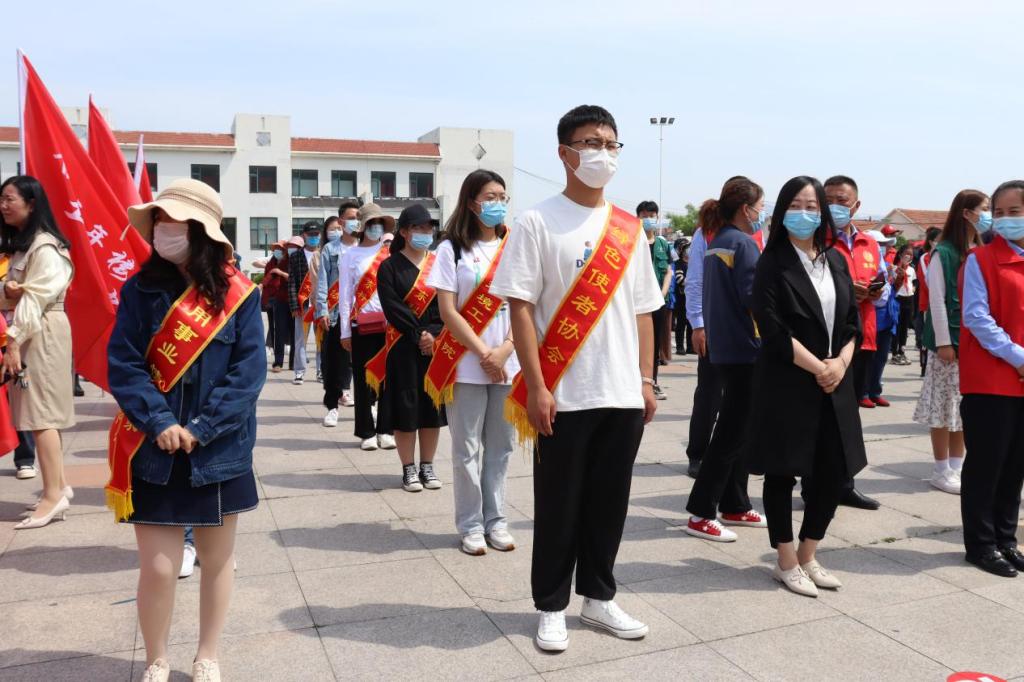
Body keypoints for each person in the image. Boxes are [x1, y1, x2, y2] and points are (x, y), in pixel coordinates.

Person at [490, 105, 661, 652]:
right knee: (558, 505)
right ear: (565, 153)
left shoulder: (630, 230)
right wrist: (537, 386)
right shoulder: (536, 222)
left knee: (610, 504)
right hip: (563, 393)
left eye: (611, 144)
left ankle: (599, 598)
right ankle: (550, 606)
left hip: (621, 391)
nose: (602, 153)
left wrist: (647, 380)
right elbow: (520, 308)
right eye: (591, 143)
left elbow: (644, 311)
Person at [106, 178, 265, 681]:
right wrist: (159, 421)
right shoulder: (138, 290)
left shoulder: (240, 295)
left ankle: (207, 656)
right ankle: (156, 659)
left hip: (219, 449)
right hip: (154, 449)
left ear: (201, 231)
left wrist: (200, 427)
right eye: (158, 219)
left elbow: (248, 373)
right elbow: (124, 364)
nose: (162, 228)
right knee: (157, 567)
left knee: (217, 562)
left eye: (173, 220)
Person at [750, 176, 867, 598]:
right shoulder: (772, 263)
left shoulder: (835, 260)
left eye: (812, 206)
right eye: (796, 206)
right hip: (790, 380)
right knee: (783, 471)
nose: (805, 214)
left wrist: (840, 363)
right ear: (782, 212)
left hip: (836, 379)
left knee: (834, 472)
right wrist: (820, 367)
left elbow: (852, 322)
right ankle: (785, 560)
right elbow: (773, 329)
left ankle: (808, 552)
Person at [426, 169, 520, 556]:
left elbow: (528, 306)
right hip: (465, 364)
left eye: (502, 197)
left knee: (501, 447)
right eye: (489, 197)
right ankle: (470, 524)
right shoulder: (451, 249)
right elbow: (448, 311)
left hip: (508, 362)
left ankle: (496, 520)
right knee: (466, 449)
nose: (497, 204)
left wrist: (506, 349)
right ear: (471, 202)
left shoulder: (515, 245)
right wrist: (485, 353)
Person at [684, 177, 767, 543]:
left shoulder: (718, 241)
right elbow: (755, 299)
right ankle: (702, 512)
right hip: (745, 349)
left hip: (727, 347)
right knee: (731, 433)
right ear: (745, 209)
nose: (761, 214)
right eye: (760, 207)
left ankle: (735, 503)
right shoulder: (743, 244)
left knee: (740, 429)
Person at [0, 176, 75, 530]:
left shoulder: (45, 247)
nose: (3, 206)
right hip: (32, 329)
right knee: (41, 413)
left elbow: (35, 300)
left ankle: (51, 496)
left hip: (40, 332)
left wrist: (13, 341)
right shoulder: (24, 247)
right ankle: (58, 486)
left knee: (41, 414)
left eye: (9, 199)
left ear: (32, 204)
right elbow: (13, 294)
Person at [958, 179, 1024, 578]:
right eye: (998, 212)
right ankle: (981, 545)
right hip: (991, 379)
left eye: (1014, 212)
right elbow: (977, 317)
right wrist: (1019, 357)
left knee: (1016, 465)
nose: (1004, 219)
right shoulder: (980, 260)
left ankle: (1006, 539)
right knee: (987, 465)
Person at [914, 189, 988, 495]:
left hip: (975, 343)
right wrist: (944, 341)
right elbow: (937, 301)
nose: (988, 215)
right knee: (943, 408)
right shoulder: (942, 252)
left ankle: (957, 468)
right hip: (950, 343)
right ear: (966, 213)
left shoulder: (979, 249)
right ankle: (941, 469)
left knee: (963, 410)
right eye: (984, 209)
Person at [373, 204, 446, 492]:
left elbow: (448, 304)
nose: (425, 233)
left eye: (428, 228)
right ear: (404, 232)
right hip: (403, 346)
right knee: (405, 407)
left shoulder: (439, 262)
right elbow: (393, 308)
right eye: (418, 228)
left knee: (431, 408)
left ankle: (428, 465)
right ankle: (409, 468)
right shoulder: (389, 267)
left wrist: (434, 334)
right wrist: (419, 334)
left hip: (434, 347)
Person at [823, 175, 884, 511]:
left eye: (842, 201)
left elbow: (884, 289)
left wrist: (874, 291)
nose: (835, 206)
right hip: (827, 342)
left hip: (864, 337)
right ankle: (815, 486)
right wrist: (848, 291)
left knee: (850, 417)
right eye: (828, 199)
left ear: (856, 206)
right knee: (823, 417)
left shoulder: (869, 243)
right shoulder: (814, 240)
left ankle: (844, 484)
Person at [339, 203, 397, 451]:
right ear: (362, 227)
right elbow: (345, 296)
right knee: (363, 380)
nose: (376, 228)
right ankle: (366, 431)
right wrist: (345, 331)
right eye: (372, 223)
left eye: (380, 223)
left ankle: (386, 429)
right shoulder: (350, 255)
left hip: (390, 325)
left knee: (389, 378)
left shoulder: (390, 253)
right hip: (362, 325)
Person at [315, 203, 360, 428]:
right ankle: (332, 407)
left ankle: (368, 406)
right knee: (333, 361)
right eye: (351, 217)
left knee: (362, 362)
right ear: (341, 222)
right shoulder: (330, 249)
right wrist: (322, 309)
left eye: (358, 217)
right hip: (335, 313)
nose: (355, 221)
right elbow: (322, 281)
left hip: (361, 313)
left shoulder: (366, 248)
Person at [637, 201, 672, 400]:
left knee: (655, 343)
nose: (649, 219)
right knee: (636, 342)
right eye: (644, 215)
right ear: (638, 217)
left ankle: (653, 382)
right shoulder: (633, 240)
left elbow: (668, 271)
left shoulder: (663, 244)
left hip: (658, 302)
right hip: (638, 303)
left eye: (652, 215)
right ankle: (635, 382)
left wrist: (662, 293)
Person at [863, 230, 899, 407]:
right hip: (871, 316)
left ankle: (875, 391)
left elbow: (892, 291)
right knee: (868, 358)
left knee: (881, 357)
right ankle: (863, 393)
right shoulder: (864, 264)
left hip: (887, 317)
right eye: (881, 245)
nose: (884, 248)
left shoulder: (886, 265)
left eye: (885, 245)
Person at [287, 221, 322, 386]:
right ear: (304, 236)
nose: (314, 237)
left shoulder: (324, 254)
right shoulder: (296, 256)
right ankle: (299, 372)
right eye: (310, 235)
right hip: (303, 303)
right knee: (300, 339)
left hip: (320, 303)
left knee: (321, 339)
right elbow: (291, 282)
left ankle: (321, 370)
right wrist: (294, 305)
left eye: (316, 235)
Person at [915, 227, 943, 376]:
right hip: (928, 304)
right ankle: (925, 366)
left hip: (943, 304)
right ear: (931, 242)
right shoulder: (925, 258)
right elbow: (927, 282)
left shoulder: (944, 255)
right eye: (939, 239)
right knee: (928, 336)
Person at [261, 240, 290, 373]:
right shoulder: (270, 263)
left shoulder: (287, 262)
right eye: (275, 249)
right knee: (275, 328)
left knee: (289, 329)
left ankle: (294, 359)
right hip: (271, 298)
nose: (277, 251)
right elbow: (267, 277)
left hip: (286, 298)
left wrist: (280, 272)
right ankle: (277, 358)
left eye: (280, 248)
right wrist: (261, 285)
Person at [891, 243, 917, 365]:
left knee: (905, 327)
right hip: (898, 299)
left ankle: (902, 351)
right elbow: (893, 282)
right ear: (900, 254)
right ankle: (894, 353)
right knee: (897, 326)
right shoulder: (895, 268)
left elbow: (915, 282)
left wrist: (914, 288)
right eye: (906, 254)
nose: (908, 256)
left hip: (909, 299)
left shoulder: (911, 269)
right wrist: (901, 265)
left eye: (910, 255)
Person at [672, 238, 693, 355]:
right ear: (681, 250)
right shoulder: (679, 264)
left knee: (691, 323)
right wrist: (692, 282)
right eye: (686, 248)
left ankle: (691, 346)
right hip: (681, 299)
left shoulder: (692, 263)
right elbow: (679, 279)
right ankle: (680, 347)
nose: (689, 250)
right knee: (681, 323)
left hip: (690, 298)